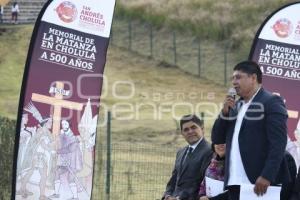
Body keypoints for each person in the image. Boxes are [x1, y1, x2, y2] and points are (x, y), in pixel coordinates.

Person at [211, 60, 290, 200]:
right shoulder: (236, 105)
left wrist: (267, 175)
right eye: (233, 78)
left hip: (260, 183)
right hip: (234, 181)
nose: (234, 82)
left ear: (253, 78)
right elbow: (217, 138)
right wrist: (224, 113)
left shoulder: (271, 102)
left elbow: (278, 143)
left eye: (238, 77)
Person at [162, 114, 213, 200]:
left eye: (193, 127)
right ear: (182, 133)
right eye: (186, 129)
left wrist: (179, 198)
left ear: (202, 129)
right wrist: (167, 196)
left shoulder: (210, 151)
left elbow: (201, 183)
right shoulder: (180, 152)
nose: (190, 131)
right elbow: (173, 180)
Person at [49, 119, 83, 200]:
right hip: (65, 161)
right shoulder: (63, 135)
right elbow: (60, 143)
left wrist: (56, 152)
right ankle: (56, 194)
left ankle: (75, 197)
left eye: (65, 124)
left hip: (73, 161)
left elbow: (69, 149)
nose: (63, 126)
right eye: (62, 124)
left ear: (69, 125)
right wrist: (60, 136)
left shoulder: (73, 137)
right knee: (57, 173)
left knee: (71, 179)